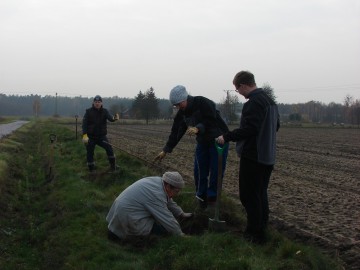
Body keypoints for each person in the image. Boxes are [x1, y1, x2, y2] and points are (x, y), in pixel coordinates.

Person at [216, 71, 280, 243]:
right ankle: (262, 228)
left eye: (237, 90)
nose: (239, 94)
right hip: (268, 156)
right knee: (260, 194)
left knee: (248, 195)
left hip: (254, 157)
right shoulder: (270, 101)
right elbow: (277, 126)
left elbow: (250, 130)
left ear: (243, 85)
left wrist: (226, 136)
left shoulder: (253, 103)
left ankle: (253, 234)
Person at [154, 85, 229, 210]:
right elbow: (175, 132)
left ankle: (213, 201)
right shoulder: (182, 114)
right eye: (175, 105)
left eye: (179, 104)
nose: (178, 107)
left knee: (216, 172)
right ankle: (201, 199)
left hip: (218, 140)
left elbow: (211, 119)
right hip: (203, 142)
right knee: (199, 171)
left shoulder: (203, 102)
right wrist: (166, 150)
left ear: (185, 98)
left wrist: (198, 127)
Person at [106, 171, 193, 239]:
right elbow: (166, 217)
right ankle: (131, 239)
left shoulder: (158, 182)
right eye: (176, 191)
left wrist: (180, 213)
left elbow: (168, 200)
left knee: (159, 223)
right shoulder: (156, 194)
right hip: (128, 216)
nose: (177, 194)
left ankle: (116, 233)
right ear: (168, 186)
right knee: (164, 231)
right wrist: (180, 234)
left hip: (120, 212)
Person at [82, 95, 119, 172]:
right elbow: (84, 124)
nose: (97, 103)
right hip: (90, 137)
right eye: (96, 102)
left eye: (99, 102)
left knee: (109, 149)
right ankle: (91, 170)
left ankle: (113, 167)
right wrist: (85, 136)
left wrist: (114, 118)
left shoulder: (105, 111)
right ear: (93, 103)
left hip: (101, 137)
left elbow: (110, 118)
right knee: (90, 152)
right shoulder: (88, 112)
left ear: (101, 103)